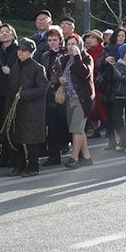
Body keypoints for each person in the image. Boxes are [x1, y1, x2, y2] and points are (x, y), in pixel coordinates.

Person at [3, 38, 48, 177]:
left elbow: (42, 88)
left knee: (31, 141)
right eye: (19, 49)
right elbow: (10, 88)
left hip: (32, 110)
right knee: (15, 138)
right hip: (16, 109)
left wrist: (24, 94)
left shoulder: (37, 68)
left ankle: (33, 166)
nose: (20, 52)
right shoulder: (15, 67)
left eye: (24, 50)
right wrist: (8, 107)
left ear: (31, 52)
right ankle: (19, 165)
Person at [50, 34, 94, 168]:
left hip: (82, 99)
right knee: (78, 129)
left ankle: (74, 158)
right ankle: (86, 157)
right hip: (69, 98)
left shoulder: (86, 57)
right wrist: (60, 80)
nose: (70, 47)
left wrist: (77, 56)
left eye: (73, 44)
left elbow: (84, 73)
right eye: (68, 44)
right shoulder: (64, 59)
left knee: (77, 129)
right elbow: (57, 74)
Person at [36, 26, 69, 166]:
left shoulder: (66, 54)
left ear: (61, 40)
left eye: (55, 40)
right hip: (50, 93)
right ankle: (54, 155)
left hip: (64, 92)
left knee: (65, 123)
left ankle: (71, 148)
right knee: (52, 125)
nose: (52, 42)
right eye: (50, 40)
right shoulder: (46, 55)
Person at [0, 24, 19, 168]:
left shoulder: (18, 50)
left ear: (13, 35)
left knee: (12, 126)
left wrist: (11, 71)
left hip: (13, 93)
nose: (4, 34)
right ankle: (3, 155)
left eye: (7, 32)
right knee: (0, 125)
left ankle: (14, 157)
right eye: (1, 32)